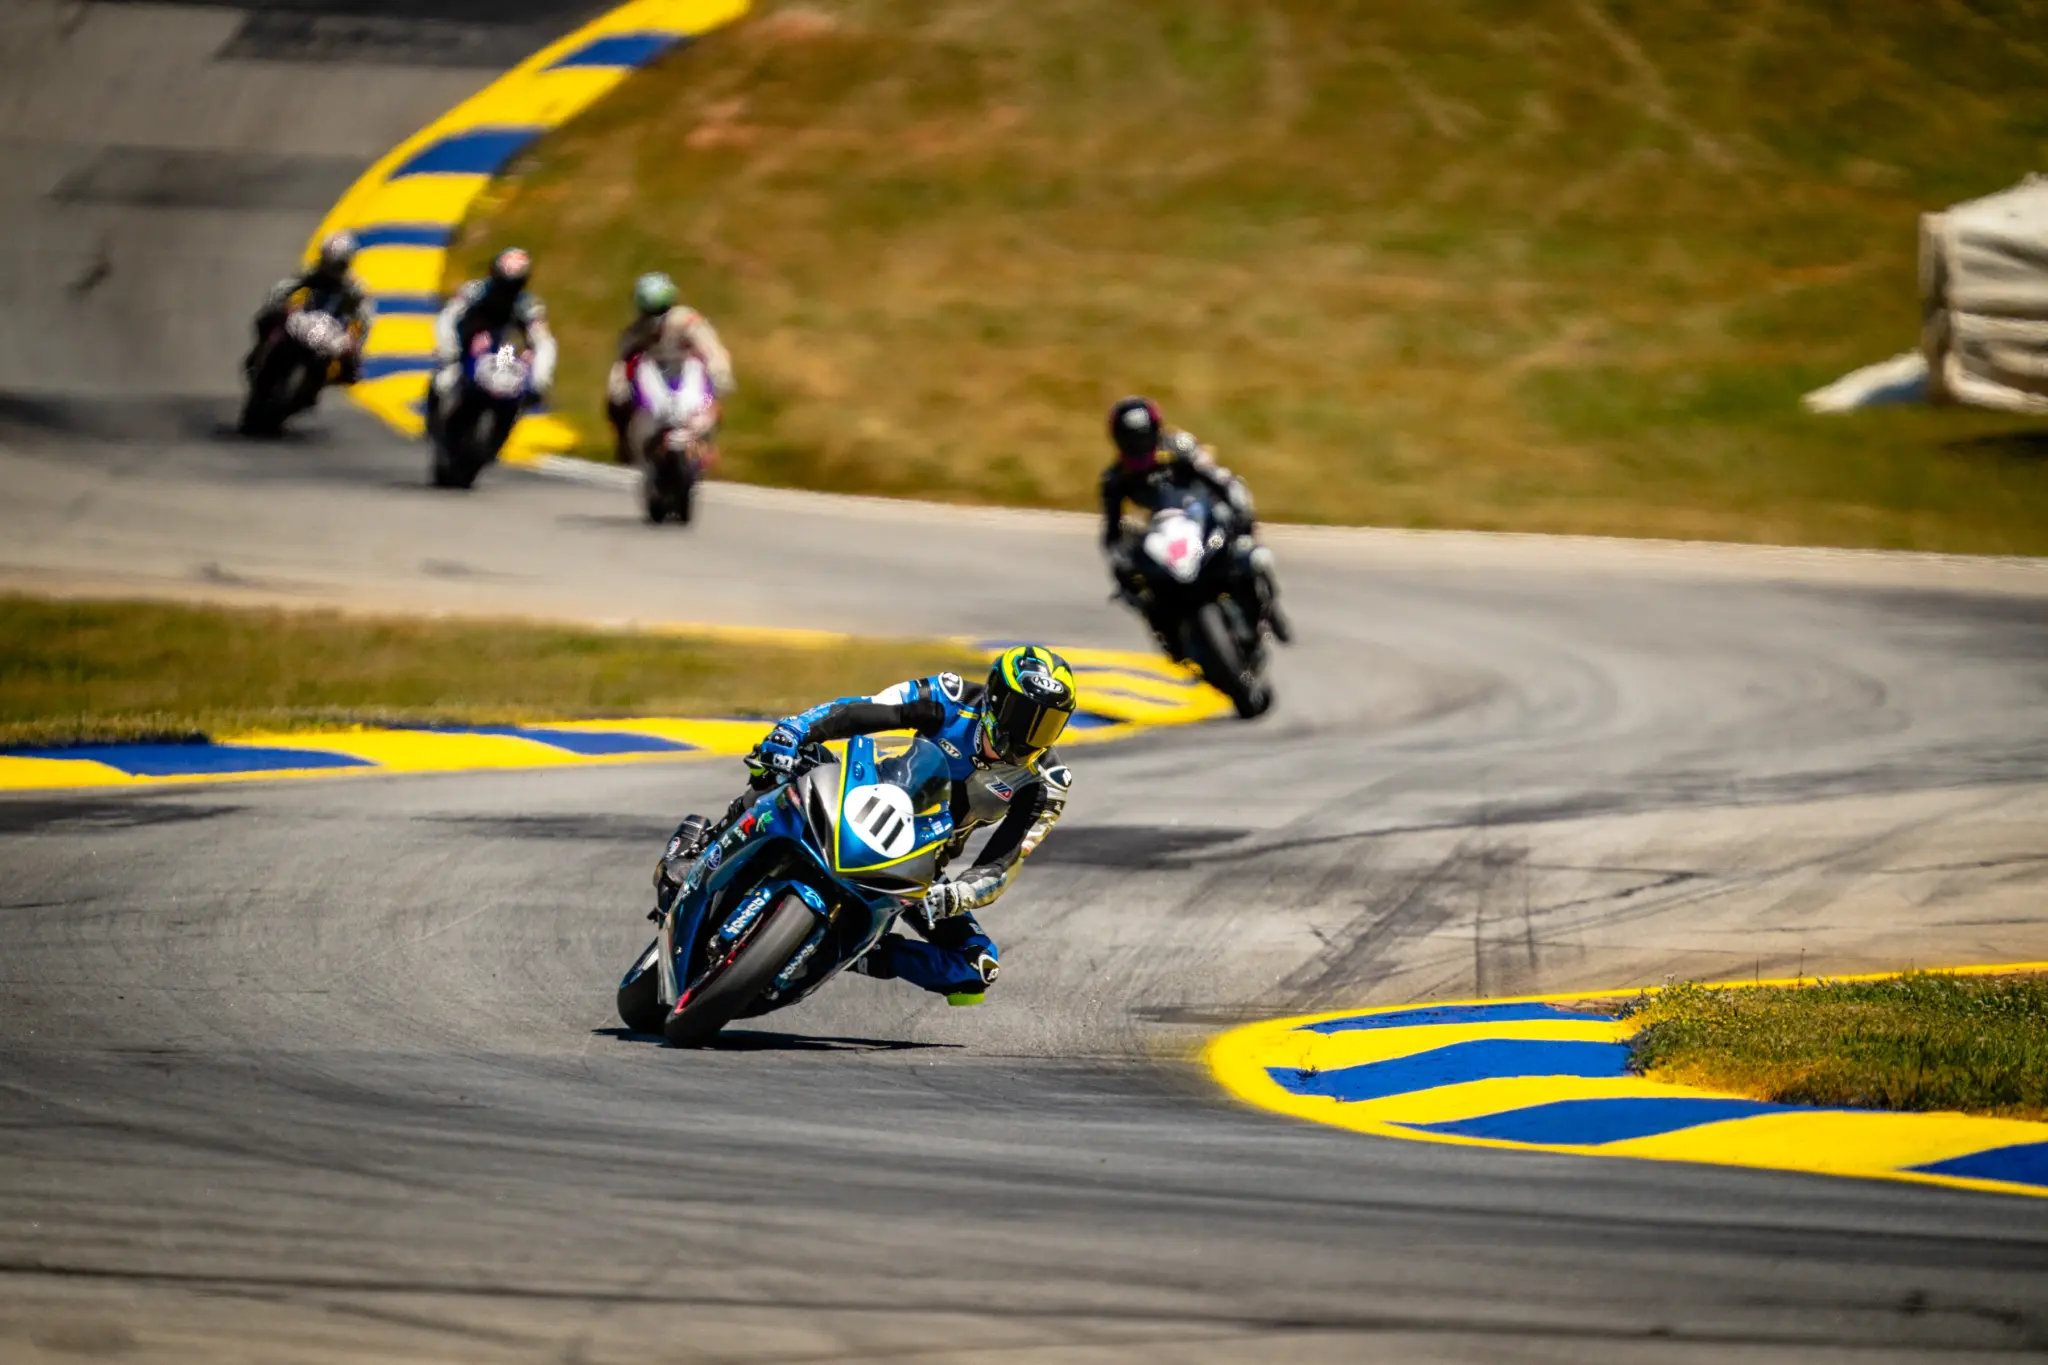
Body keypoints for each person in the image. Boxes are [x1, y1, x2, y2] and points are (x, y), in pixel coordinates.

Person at [657, 646, 1079, 1006]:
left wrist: (957, 895)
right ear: (996, 698)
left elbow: (1004, 861)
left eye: (1047, 723)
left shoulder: (1045, 782)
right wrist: (795, 731)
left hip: (918, 865)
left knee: (976, 968)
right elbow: (860, 710)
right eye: (1023, 715)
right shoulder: (951, 697)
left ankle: (849, 951)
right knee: (786, 763)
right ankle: (702, 849)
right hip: (857, 797)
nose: (1030, 734)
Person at [1098, 396, 1289, 659]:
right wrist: (1121, 565)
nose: (1138, 446)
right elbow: (1111, 532)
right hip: (1165, 530)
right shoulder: (1115, 478)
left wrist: (1238, 510)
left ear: (1155, 431)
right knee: (1144, 593)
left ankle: (1265, 599)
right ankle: (1173, 639)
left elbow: (1217, 478)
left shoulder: (1179, 446)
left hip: (1199, 510)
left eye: (1142, 437)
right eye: (1130, 440)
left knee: (1245, 549)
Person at [427, 247, 557, 441]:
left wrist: (539, 379)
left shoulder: (529, 306)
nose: (506, 291)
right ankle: (433, 423)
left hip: (504, 355)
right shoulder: (473, 292)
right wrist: (449, 349)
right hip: (465, 348)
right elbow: (448, 317)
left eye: (513, 285)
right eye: (504, 283)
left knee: (520, 396)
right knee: (444, 381)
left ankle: (496, 436)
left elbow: (544, 343)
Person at [605, 272, 736, 464]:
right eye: (651, 311)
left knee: (712, 405)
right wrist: (618, 389)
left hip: (687, 378)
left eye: (662, 309)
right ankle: (627, 445)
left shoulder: (687, 321)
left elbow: (711, 348)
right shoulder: (635, 332)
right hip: (654, 383)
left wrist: (721, 374)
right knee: (615, 406)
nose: (657, 317)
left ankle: (706, 443)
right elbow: (623, 362)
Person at [246, 230, 373, 384]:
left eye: (337, 264)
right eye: (328, 262)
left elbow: (365, 318)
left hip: (333, 330)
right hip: (305, 320)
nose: (331, 269)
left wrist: (355, 342)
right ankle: (260, 353)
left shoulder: (353, 288)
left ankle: (342, 372)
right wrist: (280, 306)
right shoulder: (313, 274)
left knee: (351, 367)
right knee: (267, 320)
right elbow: (283, 288)